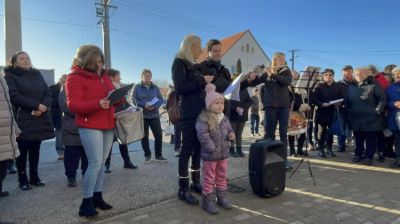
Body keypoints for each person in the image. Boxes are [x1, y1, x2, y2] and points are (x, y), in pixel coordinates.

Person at [66, 45, 115, 217]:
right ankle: (85, 203)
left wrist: (117, 92)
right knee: (94, 163)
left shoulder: (103, 76)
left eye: (101, 62)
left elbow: (114, 96)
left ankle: (97, 197)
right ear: (86, 61)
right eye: (97, 62)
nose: (100, 65)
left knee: (102, 163)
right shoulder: (74, 77)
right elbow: (73, 105)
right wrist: (97, 103)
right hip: (90, 124)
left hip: (108, 124)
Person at [172, 35, 214, 205]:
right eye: (199, 46)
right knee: (187, 150)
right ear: (191, 46)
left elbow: (197, 86)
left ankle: (195, 182)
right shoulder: (179, 62)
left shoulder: (194, 65)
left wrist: (206, 84)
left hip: (200, 112)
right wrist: (201, 81)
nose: (202, 49)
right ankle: (183, 188)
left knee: (198, 149)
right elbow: (180, 88)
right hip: (188, 113)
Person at [4, 51, 54, 190]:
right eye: (22, 58)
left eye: (27, 58)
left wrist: (43, 107)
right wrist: (36, 106)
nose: (26, 60)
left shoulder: (36, 74)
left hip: (40, 117)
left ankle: (35, 177)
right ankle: (23, 180)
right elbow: (14, 96)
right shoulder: (10, 75)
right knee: (23, 149)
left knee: (35, 148)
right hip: (23, 118)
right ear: (14, 62)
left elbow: (47, 92)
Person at [243, 52, 293, 169]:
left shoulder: (286, 71)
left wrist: (273, 75)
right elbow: (255, 82)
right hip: (270, 106)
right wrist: (251, 77)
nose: (282, 61)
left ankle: (283, 160)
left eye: (283, 59)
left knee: (283, 133)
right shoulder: (266, 72)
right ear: (274, 60)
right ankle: (270, 158)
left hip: (283, 106)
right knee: (269, 133)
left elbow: (286, 82)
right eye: (279, 59)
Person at [195, 84, 234, 214]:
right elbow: (203, 136)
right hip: (210, 155)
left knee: (222, 176)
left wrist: (231, 135)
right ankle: (207, 201)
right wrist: (212, 148)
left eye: (221, 103)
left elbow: (229, 130)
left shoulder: (224, 118)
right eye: (216, 103)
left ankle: (221, 197)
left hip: (223, 154)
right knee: (209, 178)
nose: (220, 105)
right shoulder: (204, 118)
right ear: (209, 105)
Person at [345, 67, 386, 166]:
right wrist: (348, 111)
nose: (358, 75)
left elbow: (382, 99)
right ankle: (358, 154)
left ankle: (368, 157)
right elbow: (347, 101)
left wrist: (377, 111)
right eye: (357, 74)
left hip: (371, 119)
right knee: (358, 139)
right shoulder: (352, 87)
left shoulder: (374, 85)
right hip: (356, 119)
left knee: (370, 140)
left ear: (367, 74)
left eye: (361, 73)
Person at [104, 69, 137, 173]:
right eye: (119, 76)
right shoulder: (108, 88)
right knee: (109, 143)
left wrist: (132, 108)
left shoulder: (118, 88)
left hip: (120, 119)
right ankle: (106, 165)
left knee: (123, 142)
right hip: (111, 119)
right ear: (112, 77)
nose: (120, 78)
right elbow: (109, 103)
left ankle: (127, 162)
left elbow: (124, 102)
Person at [132, 69, 166, 163]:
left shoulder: (155, 87)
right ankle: (147, 155)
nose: (148, 77)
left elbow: (160, 99)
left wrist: (154, 106)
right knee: (144, 136)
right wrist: (144, 105)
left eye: (149, 75)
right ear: (142, 76)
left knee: (158, 135)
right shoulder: (137, 87)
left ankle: (159, 155)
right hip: (143, 115)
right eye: (146, 75)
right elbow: (133, 99)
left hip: (154, 115)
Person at [311, 68, 344, 158]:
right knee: (322, 131)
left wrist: (339, 103)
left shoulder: (338, 86)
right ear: (323, 76)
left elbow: (342, 97)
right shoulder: (319, 85)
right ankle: (321, 149)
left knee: (331, 132)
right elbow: (313, 98)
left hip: (332, 112)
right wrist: (321, 104)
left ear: (333, 76)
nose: (328, 76)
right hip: (321, 111)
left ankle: (329, 149)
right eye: (326, 75)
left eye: (330, 75)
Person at [59, 84, 88, 187]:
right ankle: (71, 177)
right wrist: (85, 110)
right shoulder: (67, 86)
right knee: (71, 156)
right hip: (72, 126)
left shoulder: (89, 83)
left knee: (88, 156)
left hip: (88, 125)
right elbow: (64, 105)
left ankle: (87, 176)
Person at [0, 72, 21, 197]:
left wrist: (15, 128)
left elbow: (8, 108)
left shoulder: (2, 79)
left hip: (6, 130)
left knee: (3, 165)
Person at [200, 39, 232, 116]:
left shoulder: (225, 70)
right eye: (215, 51)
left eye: (219, 51)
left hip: (225, 111)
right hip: (208, 113)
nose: (218, 53)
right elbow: (198, 90)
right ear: (208, 52)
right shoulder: (201, 67)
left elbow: (231, 90)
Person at [49, 74, 68, 160]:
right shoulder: (52, 88)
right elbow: (50, 101)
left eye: (66, 79)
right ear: (60, 79)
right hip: (57, 114)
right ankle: (61, 152)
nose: (64, 80)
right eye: (63, 79)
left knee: (69, 134)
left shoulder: (69, 88)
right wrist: (63, 101)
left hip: (69, 114)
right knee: (59, 133)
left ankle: (69, 151)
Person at [229, 88, 251, 157]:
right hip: (233, 115)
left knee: (239, 133)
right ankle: (231, 149)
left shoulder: (244, 89)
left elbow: (249, 101)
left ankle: (239, 149)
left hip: (242, 115)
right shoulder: (231, 89)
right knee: (232, 133)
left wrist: (243, 108)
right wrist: (235, 108)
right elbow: (227, 101)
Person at [385, 66, 400, 168]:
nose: (397, 76)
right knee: (398, 140)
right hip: (395, 118)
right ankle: (398, 160)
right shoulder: (390, 88)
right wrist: (393, 104)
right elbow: (385, 102)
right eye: (395, 74)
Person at [166, 85, 182, 157]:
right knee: (177, 132)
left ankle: (180, 149)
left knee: (182, 133)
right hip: (177, 115)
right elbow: (168, 105)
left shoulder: (188, 91)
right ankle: (177, 149)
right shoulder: (173, 93)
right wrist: (171, 111)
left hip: (186, 115)